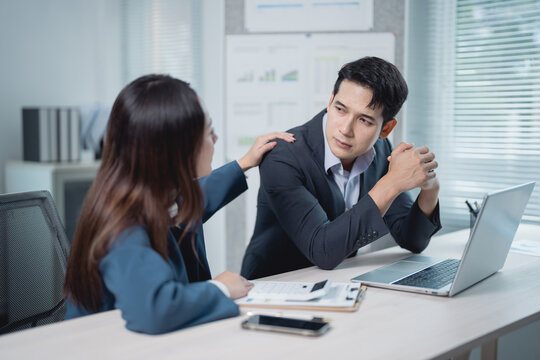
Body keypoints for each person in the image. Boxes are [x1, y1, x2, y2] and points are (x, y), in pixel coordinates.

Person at [63, 74, 294, 334]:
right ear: (177, 151)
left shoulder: (152, 194)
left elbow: (193, 202)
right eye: (209, 132)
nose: (215, 139)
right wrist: (220, 288)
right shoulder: (123, 225)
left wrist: (245, 162)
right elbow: (154, 310)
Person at [241, 57, 442, 280]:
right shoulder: (283, 157)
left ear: (386, 128)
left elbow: (411, 240)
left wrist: (429, 189)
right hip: (272, 288)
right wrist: (392, 182)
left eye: (364, 120)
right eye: (340, 109)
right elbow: (323, 250)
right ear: (330, 102)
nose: (345, 129)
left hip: (336, 284)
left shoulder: (381, 149)